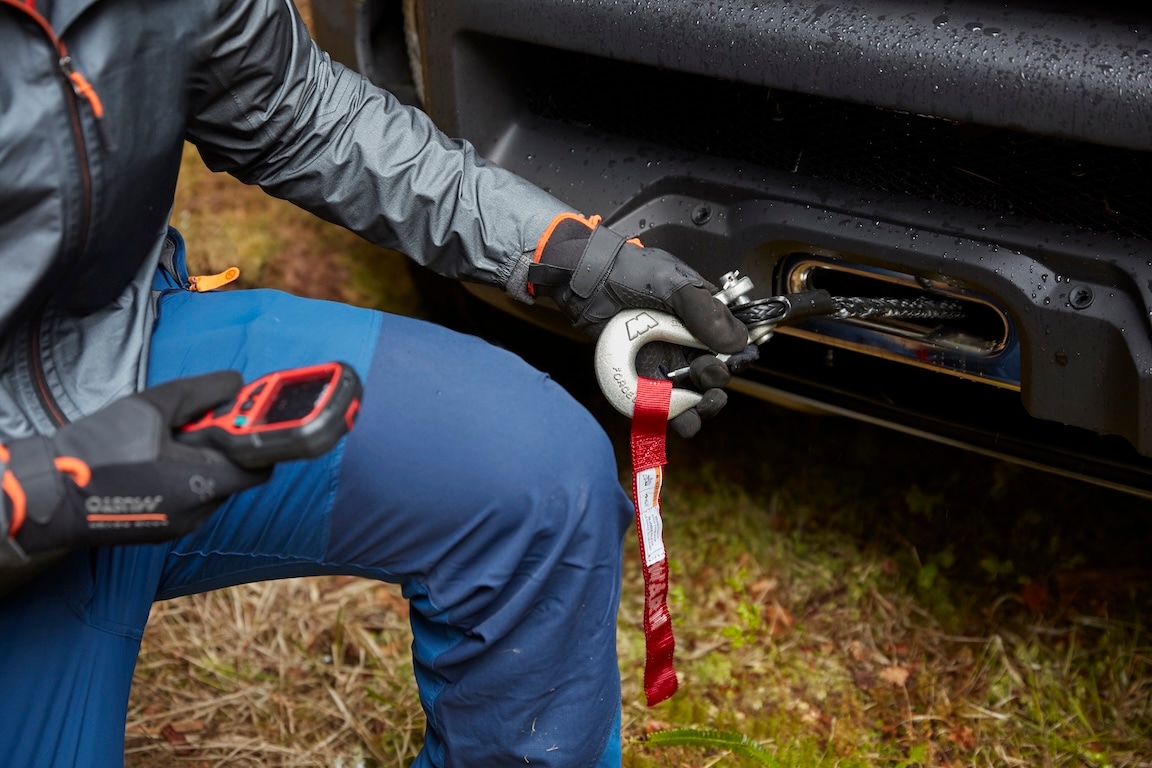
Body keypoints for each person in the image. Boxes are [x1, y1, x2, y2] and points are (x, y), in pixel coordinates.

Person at [0, 0, 752, 765]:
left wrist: (569, 258)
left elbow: (291, 106)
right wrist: (33, 496)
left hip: (108, 345)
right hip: (25, 498)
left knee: (535, 480)